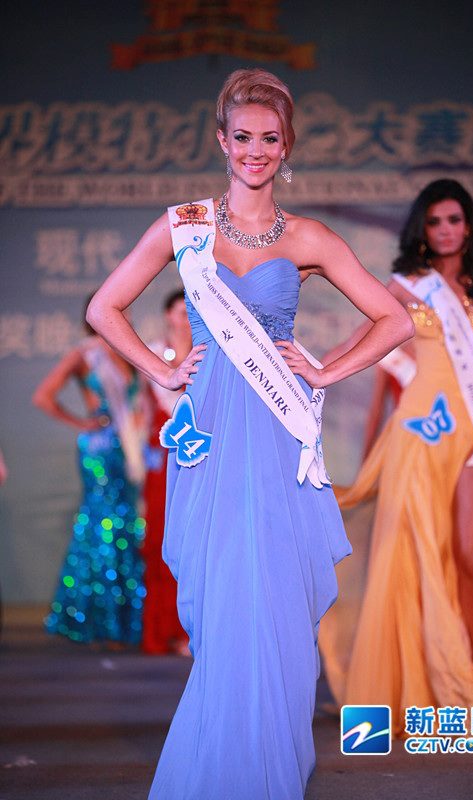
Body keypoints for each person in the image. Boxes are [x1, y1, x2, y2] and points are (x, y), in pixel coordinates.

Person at [86, 68, 413, 799]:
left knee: (275, 599)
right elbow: (105, 307)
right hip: (209, 430)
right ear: (221, 140)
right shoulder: (185, 225)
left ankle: (270, 768)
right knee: (221, 597)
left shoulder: (307, 236)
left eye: (269, 138)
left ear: (286, 144)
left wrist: (325, 370)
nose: (255, 150)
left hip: (276, 430)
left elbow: (393, 320)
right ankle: (224, 764)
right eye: (242, 137)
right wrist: (162, 369)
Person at [320, 178, 473, 747]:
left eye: (454, 220)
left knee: (471, 556)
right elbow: (360, 341)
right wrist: (310, 372)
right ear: (422, 227)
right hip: (419, 433)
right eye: (435, 221)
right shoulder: (405, 286)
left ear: (469, 225)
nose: (444, 230)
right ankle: (424, 687)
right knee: (412, 559)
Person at [33, 301, 146, 646]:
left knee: (125, 524)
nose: (122, 315)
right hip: (98, 449)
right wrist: (81, 423)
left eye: (125, 310)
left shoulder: (128, 351)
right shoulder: (85, 354)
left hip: (127, 448)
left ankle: (122, 620)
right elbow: (43, 397)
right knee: (101, 524)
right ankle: (98, 618)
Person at [142, 289, 191, 655]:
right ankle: (163, 629)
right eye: (180, 310)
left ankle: (192, 628)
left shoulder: (211, 350)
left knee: (195, 537)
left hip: (200, 450)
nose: (187, 316)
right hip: (164, 450)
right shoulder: (155, 352)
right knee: (163, 533)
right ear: (168, 315)